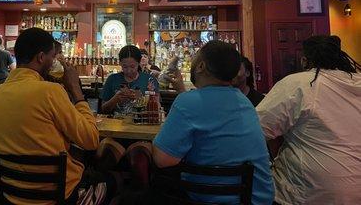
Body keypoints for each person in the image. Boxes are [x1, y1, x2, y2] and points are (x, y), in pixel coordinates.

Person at [0, 28, 98, 204]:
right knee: (111, 182)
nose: (53, 62)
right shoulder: (51, 92)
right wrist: (76, 90)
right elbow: (91, 139)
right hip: (59, 197)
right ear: (41, 58)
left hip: (11, 198)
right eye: (53, 57)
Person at [153, 40, 274, 204]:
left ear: (201, 66)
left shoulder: (187, 102)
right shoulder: (244, 101)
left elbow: (163, 159)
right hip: (256, 200)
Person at [257, 35, 361, 205]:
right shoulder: (356, 82)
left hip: (309, 193)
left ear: (305, 60)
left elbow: (258, 129)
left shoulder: (301, 83)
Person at [101, 45, 159, 115]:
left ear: (138, 63)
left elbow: (157, 109)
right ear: (120, 63)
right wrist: (115, 99)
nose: (129, 71)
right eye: (125, 67)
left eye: (132, 66)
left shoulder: (150, 80)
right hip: (116, 124)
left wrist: (141, 99)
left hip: (142, 124)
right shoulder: (112, 79)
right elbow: (103, 110)